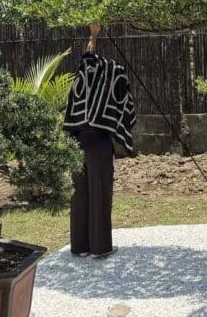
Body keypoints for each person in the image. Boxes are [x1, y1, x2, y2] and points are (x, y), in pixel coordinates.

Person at [63, 24, 137, 257]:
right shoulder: (115, 76)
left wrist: (93, 35)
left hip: (77, 141)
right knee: (100, 193)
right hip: (99, 142)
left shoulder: (84, 74)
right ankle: (100, 248)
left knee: (80, 195)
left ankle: (79, 247)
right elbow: (127, 107)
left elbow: (88, 56)